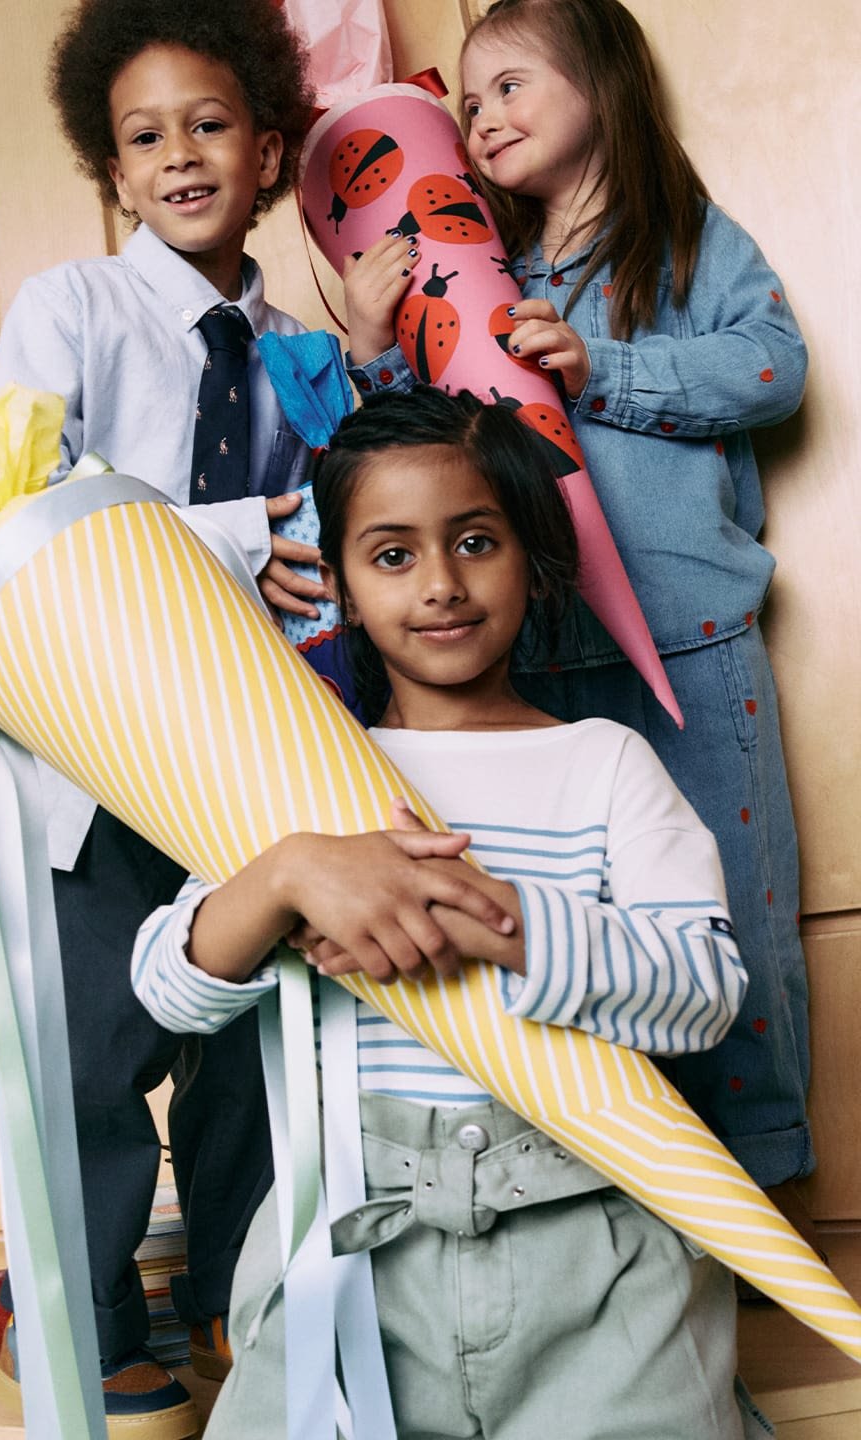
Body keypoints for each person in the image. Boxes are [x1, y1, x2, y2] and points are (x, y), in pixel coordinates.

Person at [131, 387, 771, 1439]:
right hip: (347, 1248)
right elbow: (166, 989)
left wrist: (490, 918)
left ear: (533, 557)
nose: (439, 584)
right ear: (332, 580)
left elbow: (701, 997)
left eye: (475, 541)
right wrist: (287, 873)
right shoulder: (302, 781)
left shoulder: (602, 763)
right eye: (391, 556)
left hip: (593, 1240)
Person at [343, 0, 813, 1226]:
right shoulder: (475, 264)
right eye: (471, 103)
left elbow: (777, 367)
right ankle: (634, 1193)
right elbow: (429, 457)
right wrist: (372, 346)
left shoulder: (686, 242)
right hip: (540, 671)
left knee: (732, 930)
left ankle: (756, 1197)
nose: (482, 118)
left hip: (693, 646)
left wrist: (605, 368)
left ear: (600, 85)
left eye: (510, 88)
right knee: (582, 938)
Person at [0, 0, 321, 1429]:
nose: (180, 154)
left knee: (248, 1038)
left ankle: (241, 1294)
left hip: (241, 750)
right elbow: (34, 507)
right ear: (110, 170)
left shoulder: (299, 344)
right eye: (144, 136)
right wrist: (246, 533)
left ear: (267, 151)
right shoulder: (71, 308)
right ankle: (91, 1314)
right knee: (98, 1051)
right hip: (93, 744)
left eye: (210, 124)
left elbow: (343, 525)